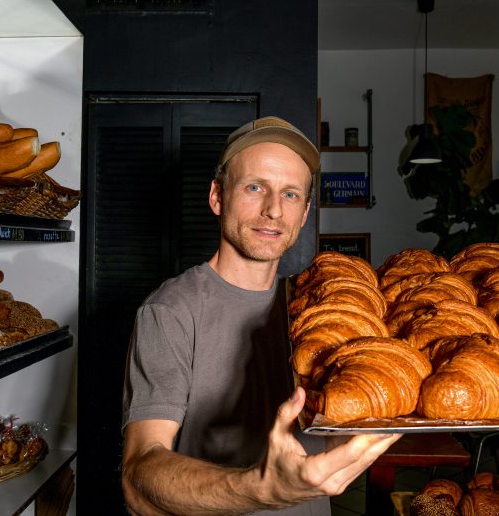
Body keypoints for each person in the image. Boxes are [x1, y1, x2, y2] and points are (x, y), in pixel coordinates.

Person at [121, 116, 401, 515]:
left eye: (290, 195)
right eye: (256, 188)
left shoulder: (319, 309)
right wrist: (263, 489)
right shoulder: (170, 310)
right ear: (217, 197)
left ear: (304, 214)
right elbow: (138, 477)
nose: (273, 210)